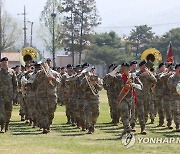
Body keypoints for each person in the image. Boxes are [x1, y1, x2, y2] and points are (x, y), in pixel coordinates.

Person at [136, 60, 156, 135]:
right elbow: (134, 80)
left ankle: (144, 123)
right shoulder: (137, 74)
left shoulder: (149, 74)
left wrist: (149, 74)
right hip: (139, 96)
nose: (145, 67)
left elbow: (155, 81)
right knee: (141, 112)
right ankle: (142, 128)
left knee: (146, 112)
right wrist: (141, 76)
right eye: (143, 66)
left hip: (147, 96)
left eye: (145, 65)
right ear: (140, 67)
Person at [0, 57, 18, 133]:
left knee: (8, 111)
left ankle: (7, 125)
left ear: (8, 63)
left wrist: (15, 94)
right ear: (1, 63)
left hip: (9, 95)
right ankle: (2, 126)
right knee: (1, 111)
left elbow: (15, 84)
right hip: (1, 95)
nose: (4, 63)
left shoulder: (12, 72)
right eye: (3, 62)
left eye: (6, 62)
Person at [167, 64, 180, 132]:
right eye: (178, 68)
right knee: (176, 111)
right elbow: (169, 86)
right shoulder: (172, 77)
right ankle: (177, 126)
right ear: (176, 69)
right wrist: (177, 84)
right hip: (175, 97)